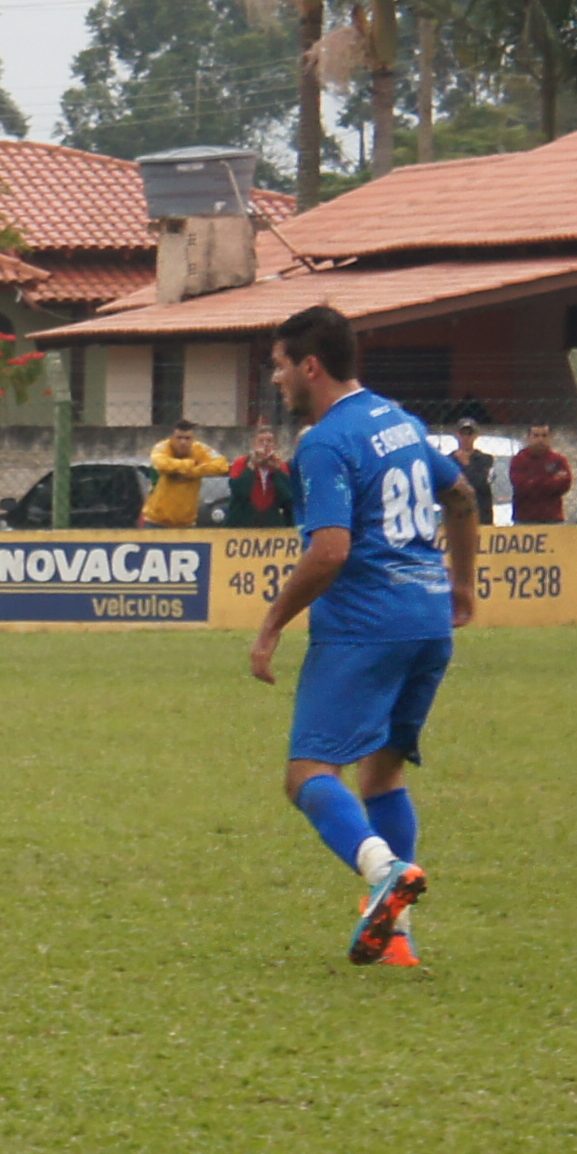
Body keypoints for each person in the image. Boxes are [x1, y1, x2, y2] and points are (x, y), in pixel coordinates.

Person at [246, 305, 478, 967]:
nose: (278, 380)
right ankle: (397, 938)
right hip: (428, 622)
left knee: (306, 774)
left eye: (281, 366)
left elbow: (330, 552)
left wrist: (269, 626)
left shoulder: (323, 441)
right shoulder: (397, 420)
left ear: (310, 366)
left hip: (366, 627)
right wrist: (463, 584)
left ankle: (382, 872)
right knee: (383, 770)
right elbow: (460, 497)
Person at [142, 419, 231, 528]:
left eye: (187, 438)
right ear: (171, 438)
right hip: (156, 521)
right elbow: (162, 464)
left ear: (193, 439)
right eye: (179, 438)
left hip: (187, 523)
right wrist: (191, 464)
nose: (183, 442)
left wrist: (194, 472)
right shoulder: (162, 447)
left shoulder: (200, 449)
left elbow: (222, 465)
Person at [224, 430, 296, 527]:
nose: (265, 445)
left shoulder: (280, 466)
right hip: (242, 522)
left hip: (270, 522)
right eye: (261, 441)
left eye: (269, 441)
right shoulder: (241, 463)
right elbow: (238, 490)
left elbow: (287, 496)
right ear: (254, 445)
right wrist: (252, 466)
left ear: (275, 445)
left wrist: (277, 471)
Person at [509, 425, 573, 525]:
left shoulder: (558, 460)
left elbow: (564, 485)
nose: (540, 439)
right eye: (536, 436)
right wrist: (552, 480)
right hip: (524, 520)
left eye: (544, 436)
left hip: (553, 519)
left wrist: (533, 481)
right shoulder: (519, 460)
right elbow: (521, 486)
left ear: (550, 437)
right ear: (528, 437)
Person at [450, 420, 502, 520]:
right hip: (456, 514)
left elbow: (481, 483)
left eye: (470, 434)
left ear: (475, 435)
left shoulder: (486, 459)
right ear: (456, 435)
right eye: (462, 434)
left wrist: (466, 464)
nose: (466, 438)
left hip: (481, 513)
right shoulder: (449, 460)